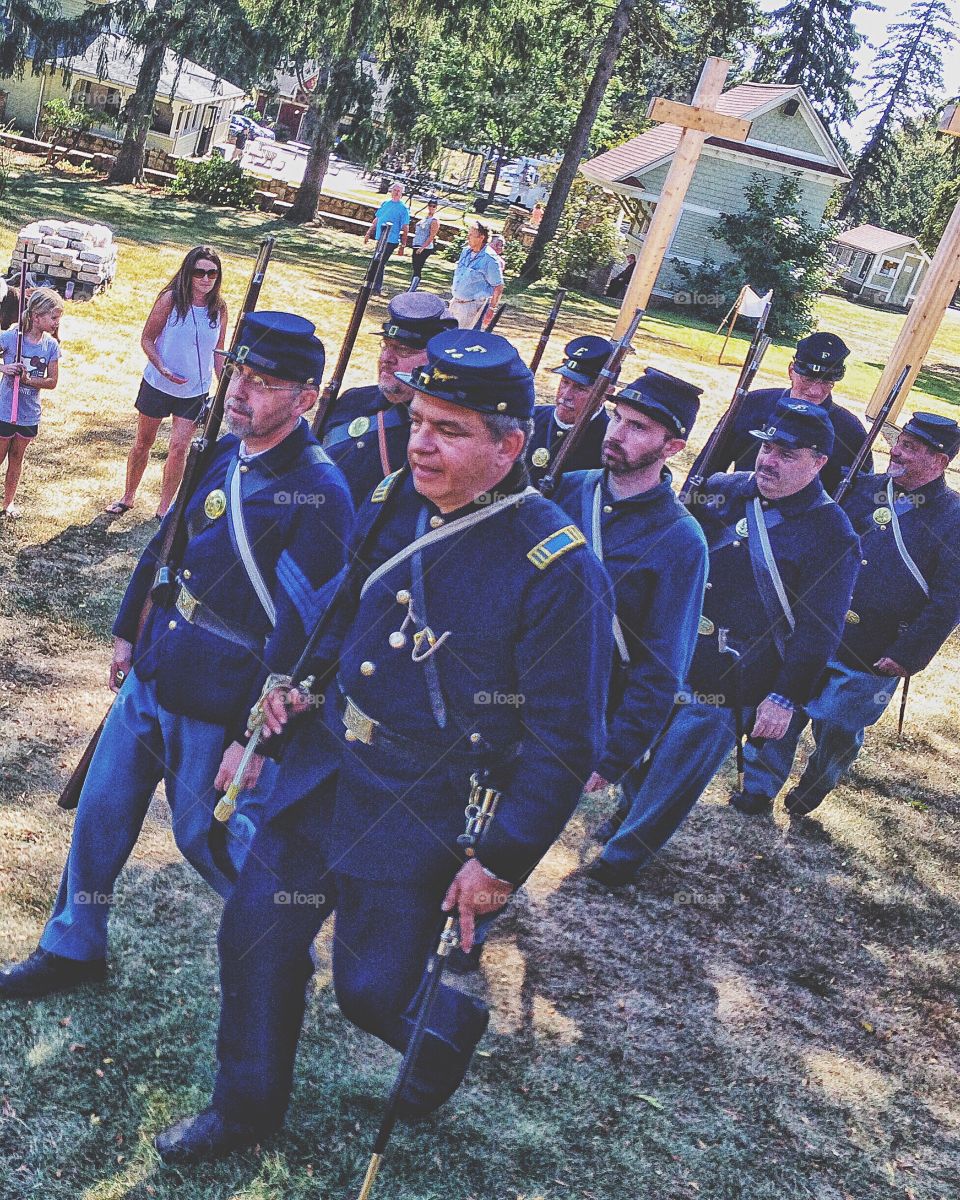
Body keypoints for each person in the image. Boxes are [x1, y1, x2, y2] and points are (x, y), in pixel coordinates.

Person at [151, 329, 613, 1162]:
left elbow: (562, 740)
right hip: (327, 773)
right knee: (256, 936)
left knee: (370, 993)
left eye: (451, 429)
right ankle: (244, 1108)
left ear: (510, 446)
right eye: (420, 417)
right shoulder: (400, 495)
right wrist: (291, 684)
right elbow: (342, 609)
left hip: (422, 808)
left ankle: (448, 1025)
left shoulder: (558, 566)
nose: (421, 441)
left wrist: (500, 861)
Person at [0, 312, 354, 1000]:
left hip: (224, 695)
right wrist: (129, 630)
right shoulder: (222, 453)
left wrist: (257, 742)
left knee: (206, 839)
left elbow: (309, 634)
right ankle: (74, 944)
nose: (245, 390)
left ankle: (280, 938)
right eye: (240, 374)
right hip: (161, 663)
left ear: (306, 398)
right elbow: (167, 547)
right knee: (101, 811)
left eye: (266, 381)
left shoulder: (323, 493)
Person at [588, 401, 861, 888]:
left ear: (819, 462)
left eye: (787, 453)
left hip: (735, 677)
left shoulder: (833, 533)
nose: (767, 460)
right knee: (639, 747)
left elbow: (819, 629)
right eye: (766, 446)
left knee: (677, 771)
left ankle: (624, 855)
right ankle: (625, 812)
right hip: (669, 653)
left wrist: (784, 695)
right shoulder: (722, 490)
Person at [734, 411, 960, 817]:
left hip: (876, 645)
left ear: (940, 462)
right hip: (816, 627)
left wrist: (909, 653)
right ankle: (758, 786)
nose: (896, 451)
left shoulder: (954, 518)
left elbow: (950, 598)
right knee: (787, 701)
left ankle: (820, 778)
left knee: (838, 726)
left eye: (911, 447)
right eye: (900, 441)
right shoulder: (860, 488)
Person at [553, 369, 709, 831]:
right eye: (617, 418)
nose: (615, 433)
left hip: (580, 717)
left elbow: (663, 666)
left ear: (672, 448)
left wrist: (615, 754)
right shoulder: (570, 488)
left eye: (637, 427)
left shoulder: (681, 540)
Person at [106, 246, 227, 520]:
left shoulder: (218, 309)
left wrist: (225, 387)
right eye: (200, 272)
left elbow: (218, 351)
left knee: (179, 447)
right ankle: (128, 496)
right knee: (143, 442)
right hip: (158, 385)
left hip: (194, 391)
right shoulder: (170, 300)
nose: (206, 279)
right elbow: (147, 338)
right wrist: (161, 368)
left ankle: (164, 509)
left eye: (212, 273)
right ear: (188, 272)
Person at [320, 291, 457, 505]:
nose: (386, 358)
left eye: (402, 350)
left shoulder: (449, 431)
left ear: (436, 359)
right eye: (385, 345)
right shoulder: (354, 401)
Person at [723, 332, 872, 496]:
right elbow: (709, 464)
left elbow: (859, 496)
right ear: (791, 371)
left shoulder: (850, 430)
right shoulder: (753, 404)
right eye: (808, 379)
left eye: (826, 382)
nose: (815, 391)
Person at [0, 287, 64, 517]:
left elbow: (52, 381)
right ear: (36, 316)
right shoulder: (11, 338)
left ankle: (8, 503)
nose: (57, 322)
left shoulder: (51, 346)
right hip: (5, 409)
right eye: (53, 317)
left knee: (17, 458)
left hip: (28, 413)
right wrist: (4, 367)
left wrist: (29, 380)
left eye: (58, 318)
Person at [525, 335, 614, 488]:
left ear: (606, 393)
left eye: (580, 388)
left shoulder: (608, 442)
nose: (566, 395)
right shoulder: (531, 416)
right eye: (564, 382)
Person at [449, 221, 504, 328]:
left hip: (471, 307)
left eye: (471, 235)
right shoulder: (465, 252)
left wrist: (491, 309)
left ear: (481, 237)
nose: (468, 238)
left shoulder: (490, 259)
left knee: (459, 340)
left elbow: (498, 286)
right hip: (455, 302)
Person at [364, 182, 410, 296]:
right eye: (395, 190)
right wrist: (369, 232)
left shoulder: (403, 208)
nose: (396, 193)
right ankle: (368, 281)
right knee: (376, 259)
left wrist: (403, 245)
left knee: (380, 262)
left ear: (402, 194)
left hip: (391, 240)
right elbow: (377, 219)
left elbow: (405, 227)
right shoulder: (385, 203)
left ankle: (376, 287)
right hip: (381, 237)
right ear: (391, 191)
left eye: (399, 191)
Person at [410, 196, 441, 280]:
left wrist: (422, 248)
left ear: (436, 208)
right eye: (430, 205)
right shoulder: (426, 218)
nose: (431, 208)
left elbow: (432, 235)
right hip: (417, 243)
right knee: (414, 266)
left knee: (418, 268)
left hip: (425, 247)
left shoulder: (434, 220)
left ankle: (414, 286)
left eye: (434, 206)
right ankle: (413, 284)